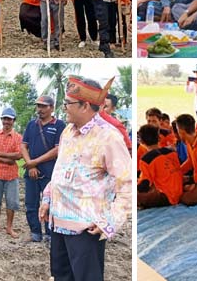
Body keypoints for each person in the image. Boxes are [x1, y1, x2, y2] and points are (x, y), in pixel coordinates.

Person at [39, 76, 131, 280]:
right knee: (61, 276)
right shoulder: (67, 132)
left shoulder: (108, 137)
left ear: (86, 106)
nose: (64, 108)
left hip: (87, 228)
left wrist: (110, 221)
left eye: (68, 103)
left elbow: (127, 184)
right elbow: (60, 170)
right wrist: (47, 199)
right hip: (58, 222)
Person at [21, 96, 65, 243]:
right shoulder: (31, 125)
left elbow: (58, 149)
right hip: (31, 172)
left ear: (52, 108)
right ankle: (35, 232)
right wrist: (31, 164)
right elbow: (23, 146)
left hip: (50, 173)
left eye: (43, 106)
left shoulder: (59, 125)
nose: (40, 109)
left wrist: (34, 162)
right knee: (30, 203)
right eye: (38, 106)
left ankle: (49, 233)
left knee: (50, 203)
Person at [0, 108, 23, 238]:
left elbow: (19, 155)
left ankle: (9, 227)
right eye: (4, 119)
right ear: (1, 120)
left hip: (11, 175)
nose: (6, 121)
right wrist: (8, 158)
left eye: (9, 119)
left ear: (14, 121)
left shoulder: (18, 137)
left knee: (11, 202)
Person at [137, 124, 183, 208]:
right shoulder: (172, 151)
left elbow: (144, 185)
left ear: (142, 142)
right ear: (159, 138)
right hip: (180, 191)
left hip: (166, 196)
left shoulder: (146, 159)